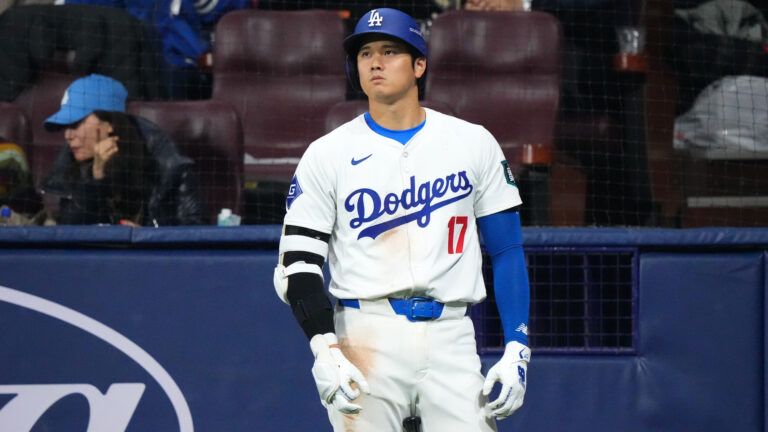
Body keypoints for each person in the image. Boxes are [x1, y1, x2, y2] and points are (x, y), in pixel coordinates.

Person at [273, 8, 531, 431]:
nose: (374, 61)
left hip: (451, 334)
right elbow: (298, 264)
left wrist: (518, 345)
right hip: (365, 334)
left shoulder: (473, 142)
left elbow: (507, 251)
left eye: (390, 50)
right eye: (365, 53)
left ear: (419, 65)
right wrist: (326, 348)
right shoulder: (326, 153)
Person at [41, 74, 203, 226]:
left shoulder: (169, 167)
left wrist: (147, 240)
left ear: (109, 123)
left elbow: (195, 235)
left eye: (75, 124)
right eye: (66, 127)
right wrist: (96, 177)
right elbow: (70, 234)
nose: (68, 135)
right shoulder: (70, 162)